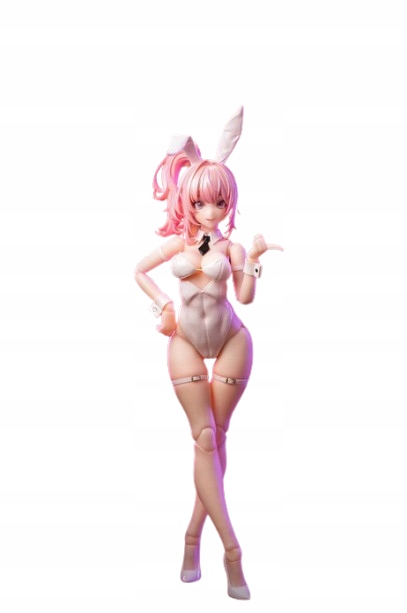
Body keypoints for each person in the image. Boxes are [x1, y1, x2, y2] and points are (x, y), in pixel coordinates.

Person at [134, 107, 283, 599]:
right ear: (188, 200)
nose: (212, 211)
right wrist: (162, 306)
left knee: (215, 439)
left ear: (228, 201)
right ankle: (231, 551)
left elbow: (245, 298)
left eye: (220, 202)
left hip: (232, 341)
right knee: (206, 439)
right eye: (202, 202)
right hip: (185, 343)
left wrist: (254, 261)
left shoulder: (232, 249)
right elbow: (138, 271)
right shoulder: (178, 243)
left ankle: (192, 540)